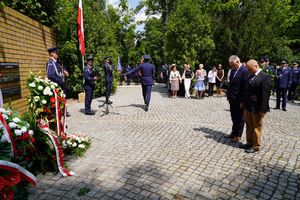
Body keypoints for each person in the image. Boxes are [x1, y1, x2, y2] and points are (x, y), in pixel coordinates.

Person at [240, 59, 272, 153]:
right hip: (248, 106)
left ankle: (256, 146)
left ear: (256, 66)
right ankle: (249, 142)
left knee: (257, 126)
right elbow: (246, 91)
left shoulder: (265, 77)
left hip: (257, 107)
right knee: (249, 125)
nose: (248, 71)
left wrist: (263, 109)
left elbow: (265, 95)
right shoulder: (251, 76)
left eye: (249, 69)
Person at [225, 55, 249, 142]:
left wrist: (242, 101)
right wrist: (228, 95)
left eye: (232, 64)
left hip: (239, 99)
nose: (231, 66)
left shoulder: (244, 71)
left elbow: (244, 88)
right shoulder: (232, 71)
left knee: (240, 118)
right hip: (232, 98)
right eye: (231, 64)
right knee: (233, 116)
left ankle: (238, 135)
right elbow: (231, 84)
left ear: (238, 62)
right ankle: (233, 132)